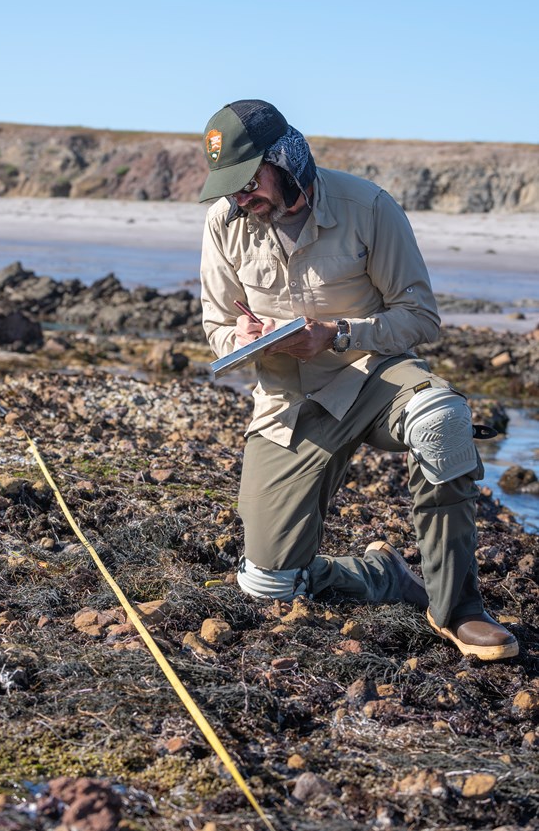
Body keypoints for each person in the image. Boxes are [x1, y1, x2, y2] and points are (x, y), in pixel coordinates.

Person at [198, 99, 518, 662]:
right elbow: (218, 325)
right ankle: (383, 575)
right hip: (290, 399)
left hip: (373, 374)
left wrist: (338, 333)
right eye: (229, 187)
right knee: (268, 585)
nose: (240, 197)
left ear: (286, 159)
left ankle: (460, 609)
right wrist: (244, 340)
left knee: (442, 420)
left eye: (248, 181)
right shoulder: (225, 222)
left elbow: (420, 317)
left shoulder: (368, 206)